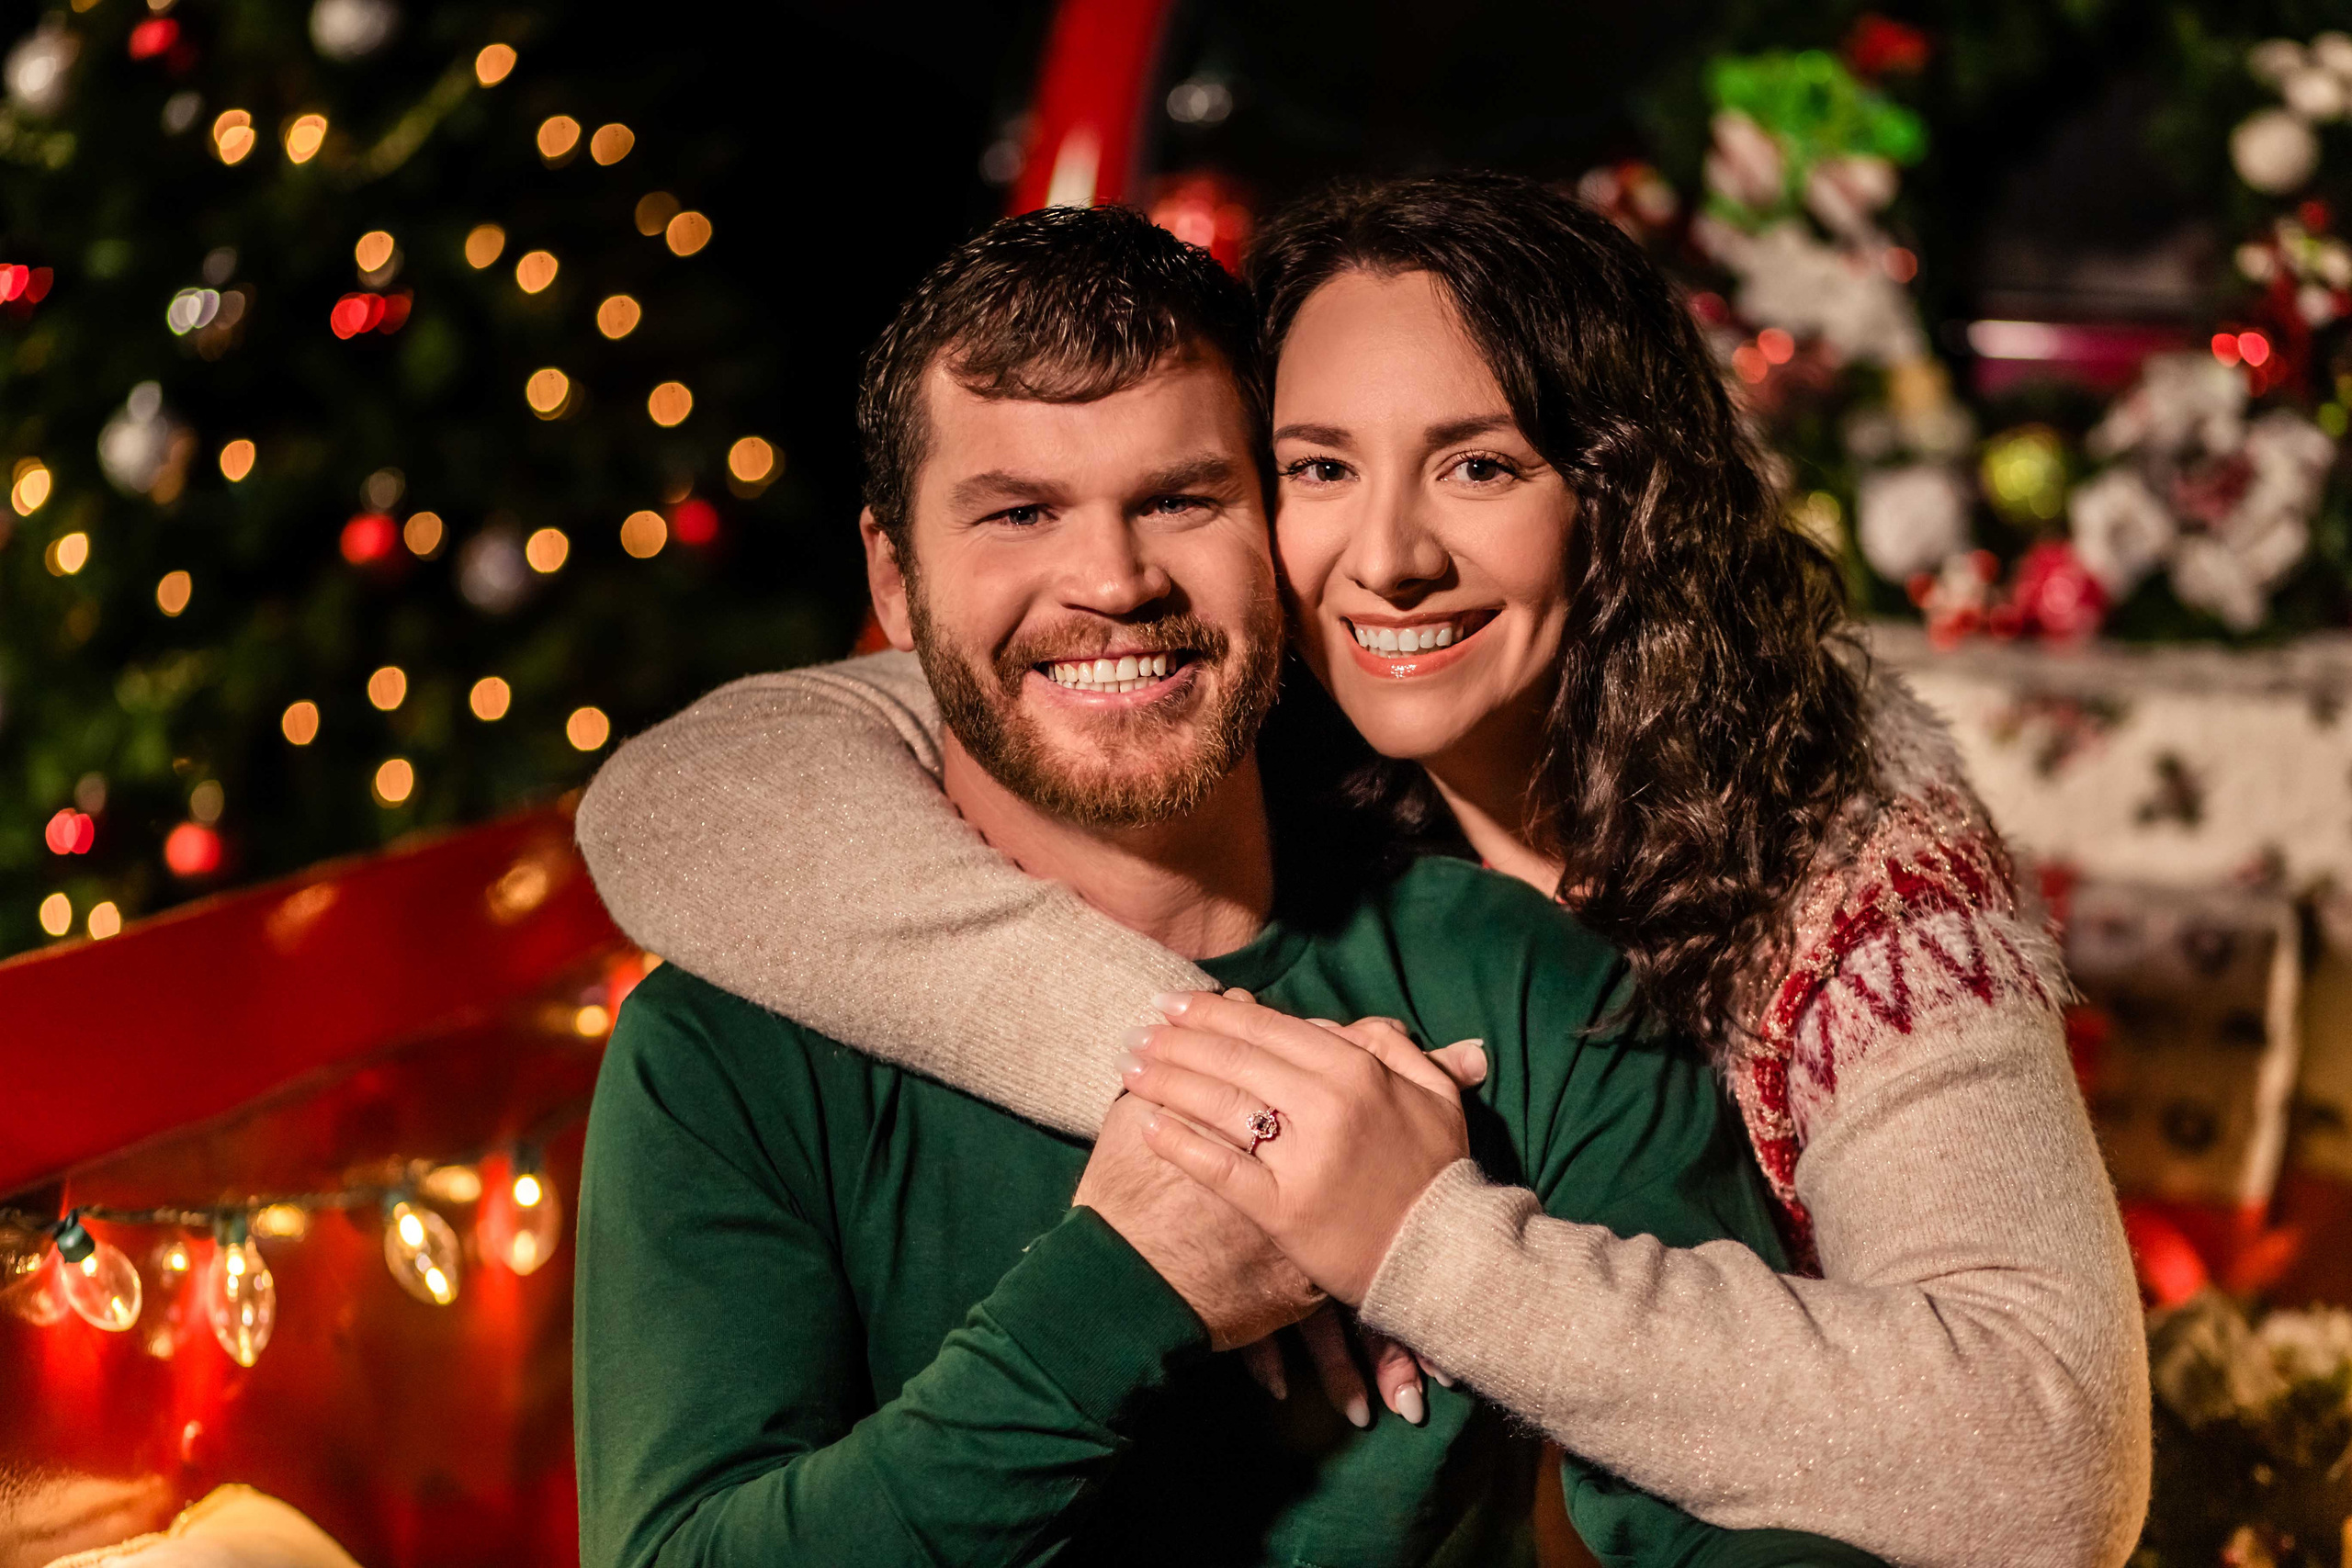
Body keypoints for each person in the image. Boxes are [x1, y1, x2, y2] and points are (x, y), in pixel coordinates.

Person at [577, 176, 2149, 1568]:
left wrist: (1416, 1239)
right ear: (892, 575)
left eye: (1478, 466)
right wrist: (1209, 1163)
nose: (1387, 557)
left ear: (1625, 502)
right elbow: (681, 794)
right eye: (1321, 467)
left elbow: (2025, 1472)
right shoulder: (755, 1026)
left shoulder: (1802, 894)